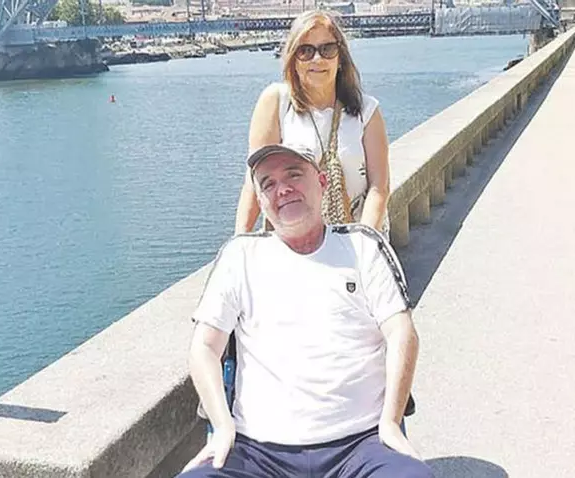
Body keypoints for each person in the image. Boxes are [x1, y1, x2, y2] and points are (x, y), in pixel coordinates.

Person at [179, 143, 432, 478]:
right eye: (268, 184)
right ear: (260, 201)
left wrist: (390, 422)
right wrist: (222, 427)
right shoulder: (240, 257)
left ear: (322, 182)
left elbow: (401, 332)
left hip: (361, 443)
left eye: (294, 175)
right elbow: (204, 347)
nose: (282, 189)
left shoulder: (363, 247)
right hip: (256, 450)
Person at [234, 10, 392, 236]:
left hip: (355, 238)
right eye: (305, 51)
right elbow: (255, 181)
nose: (318, 59)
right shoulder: (276, 102)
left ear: (340, 58)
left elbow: (379, 187)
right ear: (293, 61)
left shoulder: (367, 111)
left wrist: (364, 241)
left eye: (327, 49)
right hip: (292, 243)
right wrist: (240, 240)